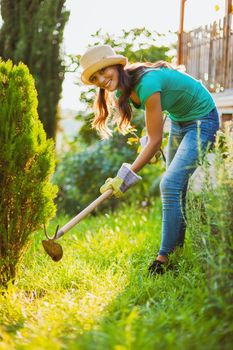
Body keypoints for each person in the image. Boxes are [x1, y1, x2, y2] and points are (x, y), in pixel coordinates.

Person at [79, 44, 220, 275]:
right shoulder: (122, 90)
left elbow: (156, 141)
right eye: (95, 77)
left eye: (104, 71)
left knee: (170, 184)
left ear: (116, 65)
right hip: (179, 121)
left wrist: (123, 178)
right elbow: (152, 131)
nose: (101, 79)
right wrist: (147, 144)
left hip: (203, 120)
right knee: (176, 187)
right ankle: (176, 251)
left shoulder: (146, 83)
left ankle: (163, 258)